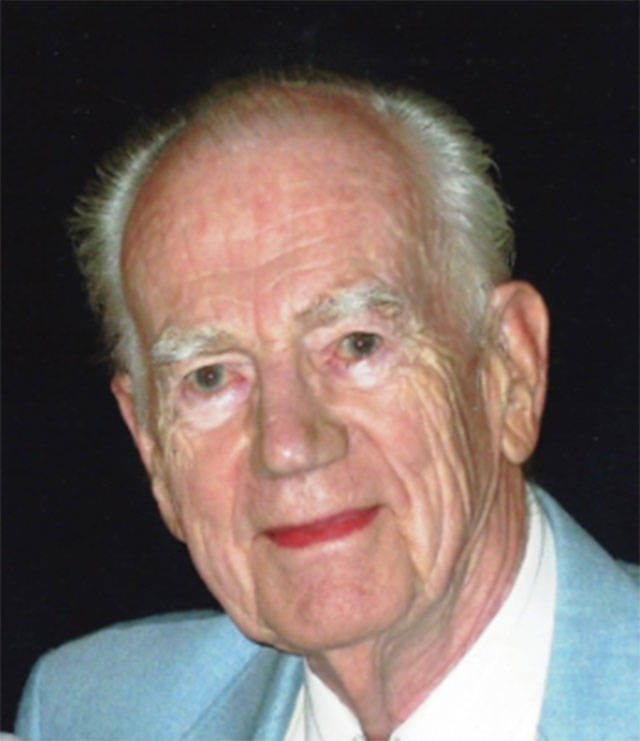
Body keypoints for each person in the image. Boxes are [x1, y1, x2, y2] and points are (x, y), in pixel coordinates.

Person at [15, 72, 638, 741]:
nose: (286, 445)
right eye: (210, 377)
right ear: (151, 448)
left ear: (510, 371)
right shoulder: (87, 714)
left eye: (358, 343)